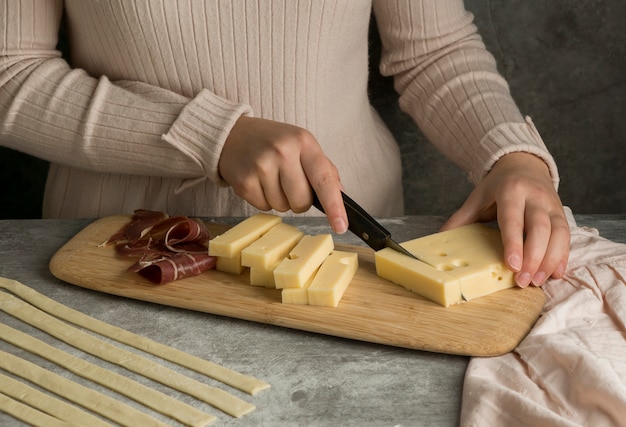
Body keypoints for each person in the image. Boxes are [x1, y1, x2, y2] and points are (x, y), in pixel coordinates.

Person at [0, 0, 569, 288]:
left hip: (350, 253)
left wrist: (510, 155)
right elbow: (10, 72)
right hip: (121, 253)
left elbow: (435, 50)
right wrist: (211, 137)